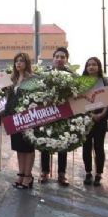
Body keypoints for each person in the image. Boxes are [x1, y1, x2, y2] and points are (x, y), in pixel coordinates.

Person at [39, 48, 76, 186]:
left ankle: (62, 173)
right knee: (44, 141)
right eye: (57, 56)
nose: (59, 59)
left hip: (65, 114)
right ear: (53, 58)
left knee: (63, 142)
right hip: (47, 113)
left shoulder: (72, 75)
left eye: (63, 57)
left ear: (67, 59)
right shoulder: (44, 74)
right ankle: (44, 171)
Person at [5, 53, 37, 189]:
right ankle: (21, 174)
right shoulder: (12, 79)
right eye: (16, 61)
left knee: (28, 147)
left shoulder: (33, 79)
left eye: (21, 61)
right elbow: (9, 100)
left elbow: (37, 98)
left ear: (27, 63)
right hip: (14, 118)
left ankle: (28, 176)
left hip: (28, 118)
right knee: (19, 148)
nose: (18, 63)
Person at [80, 56, 108, 187]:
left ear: (99, 67)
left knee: (99, 147)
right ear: (86, 68)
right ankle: (88, 173)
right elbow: (78, 101)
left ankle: (99, 174)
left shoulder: (104, 81)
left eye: (94, 64)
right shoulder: (81, 82)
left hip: (100, 119)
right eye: (89, 65)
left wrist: (102, 114)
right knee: (86, 146)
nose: (91, 67)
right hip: (86, 120)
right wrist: (89, 115)